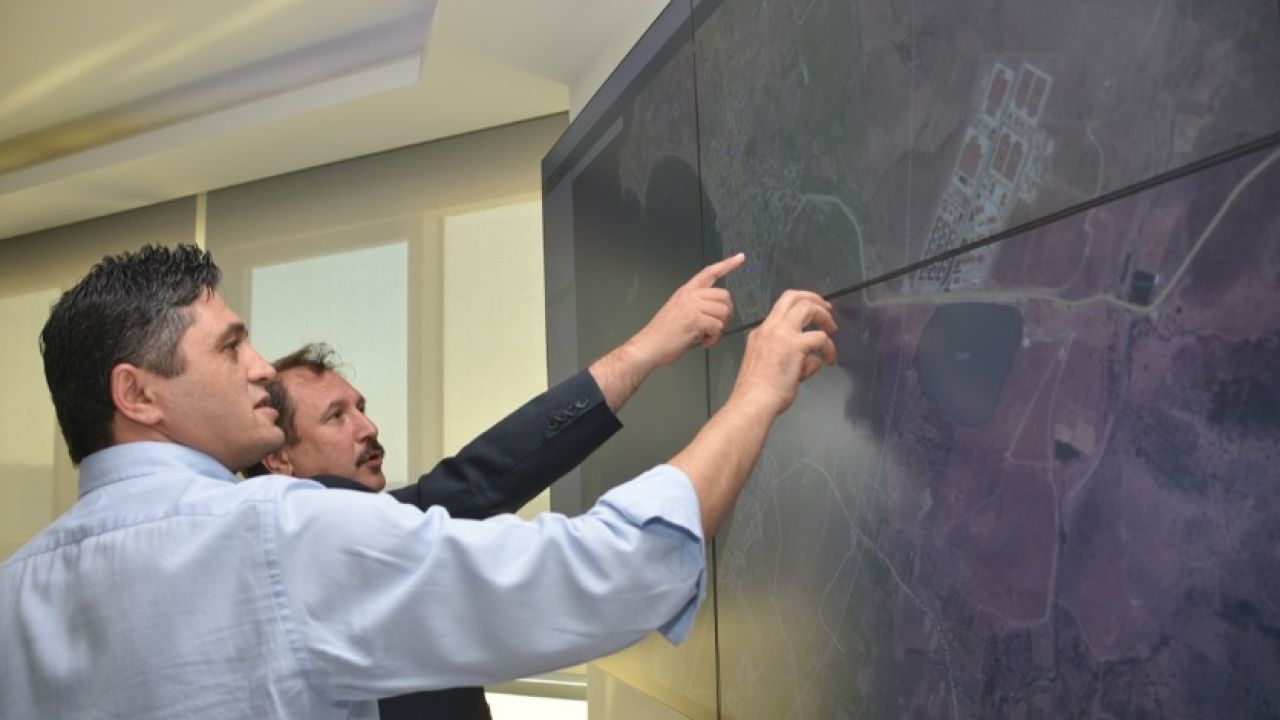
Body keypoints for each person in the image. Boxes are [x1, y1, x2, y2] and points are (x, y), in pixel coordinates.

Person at [0, 244, 836, 719]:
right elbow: (615, 570)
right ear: (137, 394)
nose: (259, 368)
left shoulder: (14, 593)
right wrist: (755, 396)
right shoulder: (278, 534)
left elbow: (471, 480)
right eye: (230, 346)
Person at [244, 257, 743, 719]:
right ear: (279, 458)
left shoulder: (353, 534)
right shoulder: (318, 547)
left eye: (361, 407)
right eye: (336, 417)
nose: (368, 427)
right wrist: (649, 349)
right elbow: (484, 475)